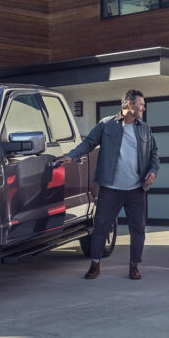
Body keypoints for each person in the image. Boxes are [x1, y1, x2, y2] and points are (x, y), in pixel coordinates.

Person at [55, 90, 159, 280]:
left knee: (138, 230)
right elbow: (88, 143)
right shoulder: (106, 124)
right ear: (129, 105)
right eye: (141, 104)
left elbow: (154, 154)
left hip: (136, 189)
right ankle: (95, 264)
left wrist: (152, 171)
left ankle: (134, 266)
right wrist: (71, 156)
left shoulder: (144, 129)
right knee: (101, 226)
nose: (143, 107)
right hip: (111, 188)